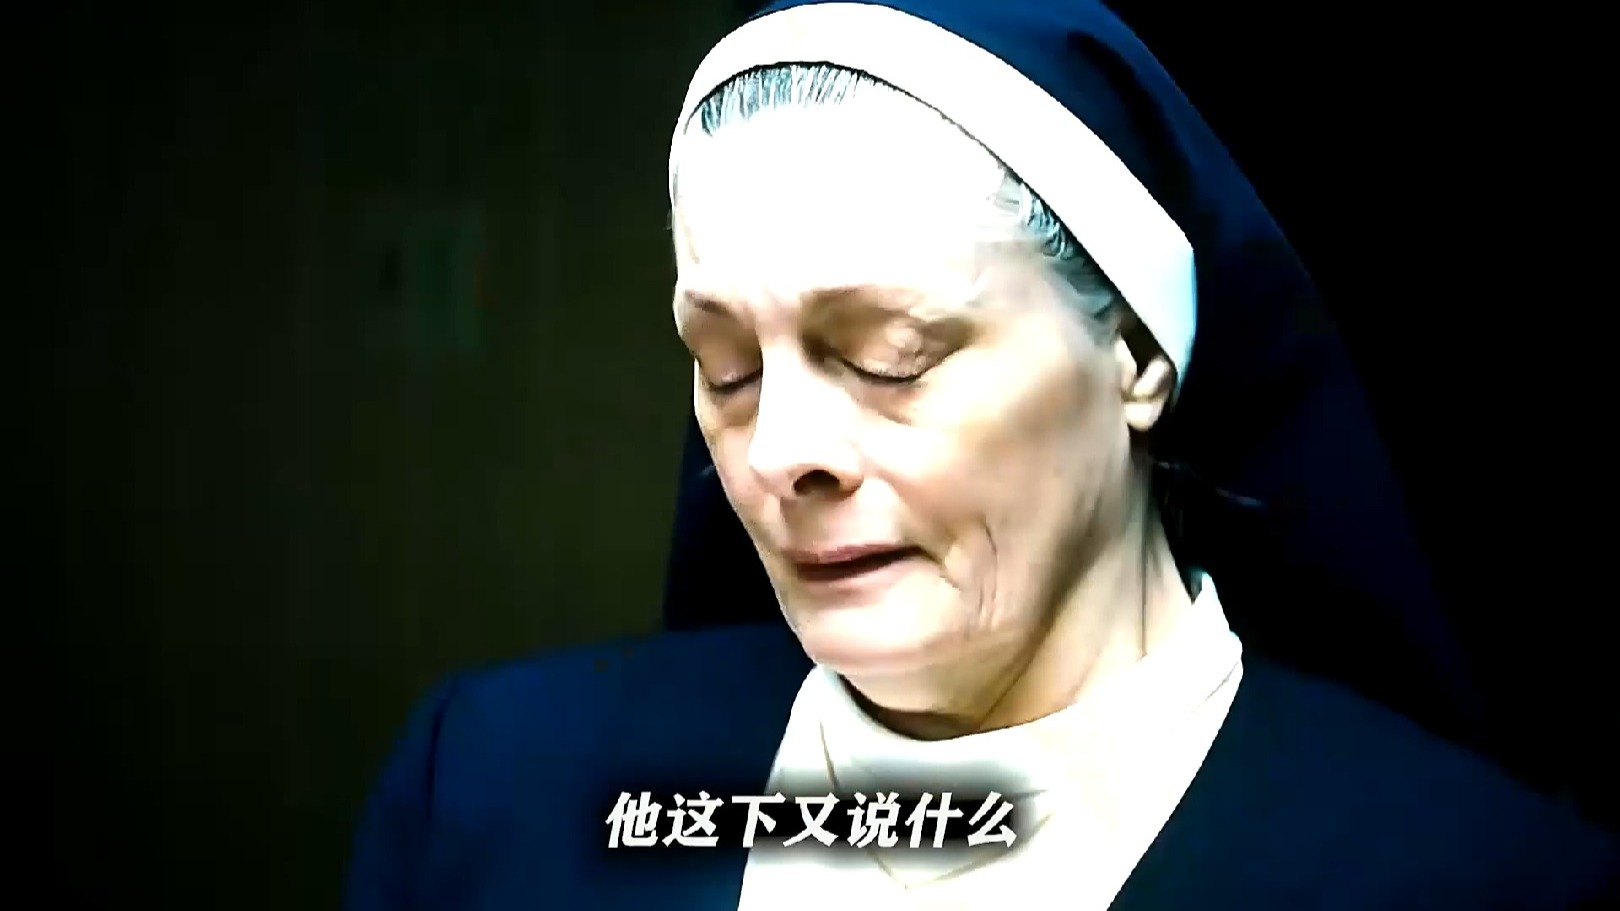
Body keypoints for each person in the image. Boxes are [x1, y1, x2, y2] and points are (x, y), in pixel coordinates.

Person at [345, 1, 1618, 908]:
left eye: (890, 355)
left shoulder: (1475, 878)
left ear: (1136, 353)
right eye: (726, 370)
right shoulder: (499, 793)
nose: (778, 451)